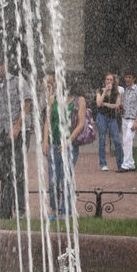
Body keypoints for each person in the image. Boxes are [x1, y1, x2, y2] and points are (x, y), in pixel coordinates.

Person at [43, 73, 86, 218]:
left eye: (59, 81)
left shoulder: (79, 101)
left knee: (66, 178)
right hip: (54, 144)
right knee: (53, 179)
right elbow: (47, 122)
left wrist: (68, 141)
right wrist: (45, 142)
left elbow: (81, 124)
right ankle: (54, 208)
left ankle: (66, 209)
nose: (56, 83)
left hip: (69, 146)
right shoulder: (52, 99)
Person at [0, 61, 32, 219]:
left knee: (18, 171)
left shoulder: (18, 81)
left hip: (19, 132)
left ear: (4, 66)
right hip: (3, 133)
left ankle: (21, 211)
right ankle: (5, 211)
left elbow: (27, 104)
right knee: (5, 173)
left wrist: (16, 127)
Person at [95, 73, 122, 171]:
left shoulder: (116, 92)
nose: (109, 81)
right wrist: (104, 92)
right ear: (105, 80)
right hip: (101, 116)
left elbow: (117, 105)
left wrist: (105, 104)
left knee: (117, 141)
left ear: (113, 81)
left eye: (111, 80)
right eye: (107, 79)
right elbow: (98, 103)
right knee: (102, 140)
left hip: (112, 118)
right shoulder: (99, 90)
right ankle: (103, 163)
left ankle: (120, 164)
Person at [120, 72, 137, 172]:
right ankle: (131, 163)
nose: (127, 79)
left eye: (129, 77)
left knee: (127, 140)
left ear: (134, 79)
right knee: (126, 141)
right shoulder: (125, 91)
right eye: (126, 77)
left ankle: (125, 165)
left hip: (133, 119)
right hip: (125, 118)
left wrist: (136, 121)